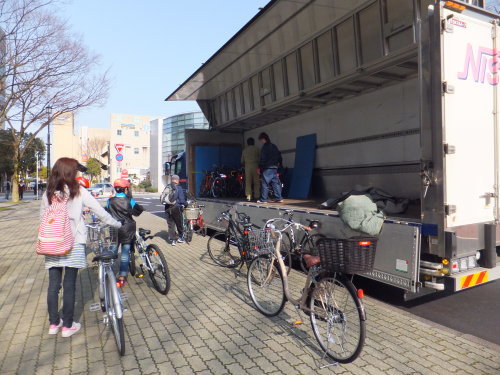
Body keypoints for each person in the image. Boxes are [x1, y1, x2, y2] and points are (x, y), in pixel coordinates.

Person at [40, 157, 121, 338]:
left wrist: (46, 237)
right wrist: (117, 224)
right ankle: (68, 326)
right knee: (69, 285)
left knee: (53, 285)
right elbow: (100, 212)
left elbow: (42, 218)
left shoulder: (49, 192)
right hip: (74, 242)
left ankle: (54, 324)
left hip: (51, 242)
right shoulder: (79, 191)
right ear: (71, 172)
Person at [106, 178, 144, 287]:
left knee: (112, 250)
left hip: (114, 228)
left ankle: (108, 272)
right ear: (126, 189)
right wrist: (141, 208)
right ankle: (122, 277)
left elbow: (106, 212)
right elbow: (137, 211)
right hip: (127, 229)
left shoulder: (110, 200)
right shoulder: (129, 200)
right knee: (124, 253)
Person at [257, 132, 283, 203]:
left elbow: (263, 158)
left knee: (265, 183)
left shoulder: (264, 148)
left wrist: (260, 167)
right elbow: (279, 156)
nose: (260, 142)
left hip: (267, 168)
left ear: (263, 139)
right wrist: (280, 165)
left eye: (260, 140)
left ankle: (263, 199)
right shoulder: (274, 146)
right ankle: (279, 198)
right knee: (275, 183)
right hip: (274, 167)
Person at [164, 175, 187, 246]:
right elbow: (182, 200)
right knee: (179, 223)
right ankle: (181, 238)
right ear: (177, 180)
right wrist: (186, 203)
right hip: (175, 208)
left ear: (172, 180)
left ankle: (173, 240)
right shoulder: (178, 188)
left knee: (171, 225)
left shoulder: (167, 186)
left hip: (167, 208)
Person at [241, 137, 260, 202]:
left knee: (248, 182)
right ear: (253, 142)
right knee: (256, 182)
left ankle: (249, 196)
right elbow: (260, 158)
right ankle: (257, 196)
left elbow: (242, 161)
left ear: (247, 143)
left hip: (247, 167)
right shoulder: (257, 149)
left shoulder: (244, 150)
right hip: (255, 166)